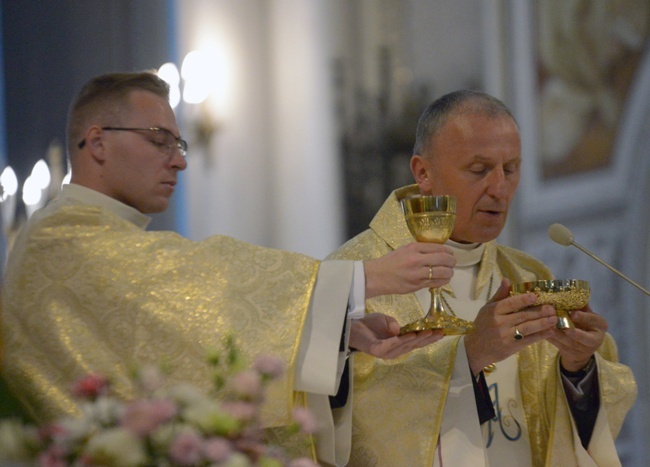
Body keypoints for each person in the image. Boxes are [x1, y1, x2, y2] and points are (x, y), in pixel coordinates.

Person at [0, 71, 455, 465]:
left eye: (178, 143)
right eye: (159, 140)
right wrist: (365, 277)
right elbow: (207, 286)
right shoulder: (62, 238)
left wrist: (335, 328)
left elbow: (182, 339)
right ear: (97, 141)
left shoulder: (88, 236)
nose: (179, 159)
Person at [327, 90, 637, 465]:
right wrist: (470, 356)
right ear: (423, 172)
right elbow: (334, 427)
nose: (500, 189)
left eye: (510, 169)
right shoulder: (353, 278)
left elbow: (586, 426)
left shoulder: (528, 275)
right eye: (479, 170)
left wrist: (578, 367)